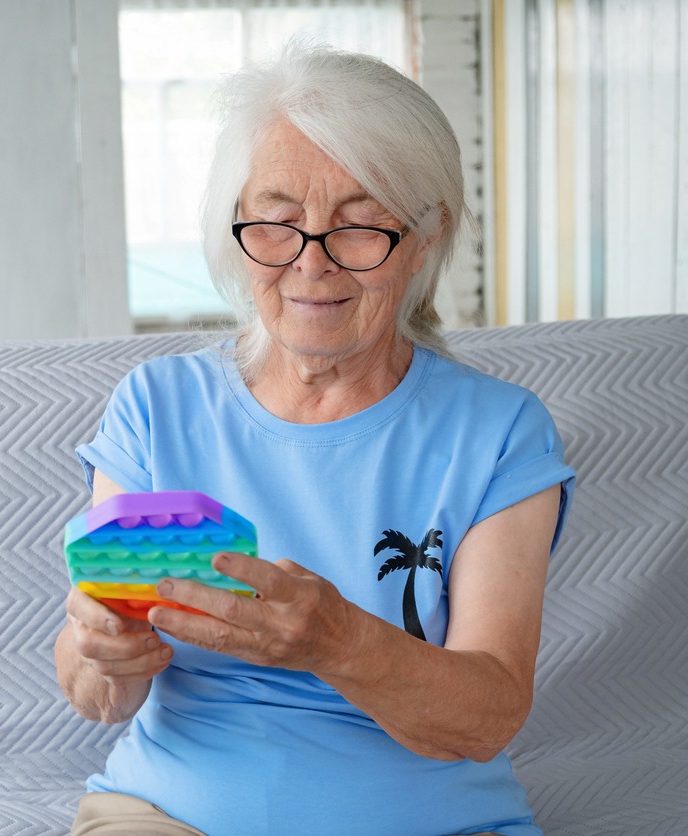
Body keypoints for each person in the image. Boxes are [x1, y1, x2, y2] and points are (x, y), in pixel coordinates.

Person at [55, 40, 575, 836]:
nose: (312, 263)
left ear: (426, 236)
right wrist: (101, 652)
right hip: (169, 814)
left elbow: (487, 715)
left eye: (361, 227)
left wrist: (335, 641)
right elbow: (99, 695)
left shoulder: (499, 431)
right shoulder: (155, 408)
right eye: (277, 223)